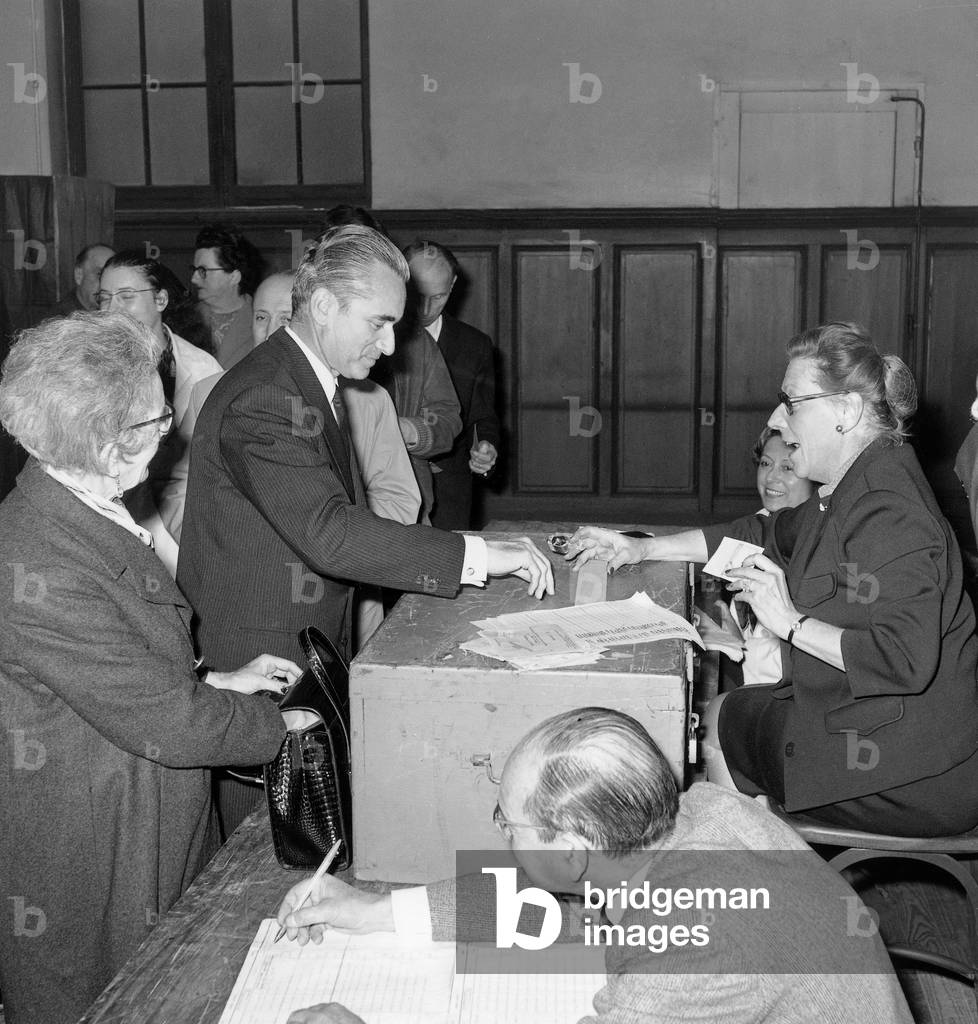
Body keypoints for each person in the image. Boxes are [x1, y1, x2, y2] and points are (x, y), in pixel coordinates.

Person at [176, 227, 553, 830]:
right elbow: (330, 532)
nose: (390, 343)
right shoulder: (267, 395)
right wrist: (473, 555)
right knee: (266, 847)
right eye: (378, 322)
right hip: (263, 649)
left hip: (299, 634)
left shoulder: (303, 378)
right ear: (323, 305)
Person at [0, 311, 312, 1024]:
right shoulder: (35, 561)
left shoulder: (83, 504)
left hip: (136, 803)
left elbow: (123, 672)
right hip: (93, 839)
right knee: (108, 999)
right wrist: (278, 726)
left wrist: (211, 682)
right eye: (155, 417)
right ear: (111, 445)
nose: (168, 430)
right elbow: (166, 721)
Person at [570, 322, 978, 838]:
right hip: (893, 736)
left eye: (792, 403)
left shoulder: (892, 511)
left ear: (846, 411)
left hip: (915, 776)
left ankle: (758, 883)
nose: (776, 420)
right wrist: (644, 546)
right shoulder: (857, 483)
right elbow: (761, 533)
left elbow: (904, 660)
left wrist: (789, 621)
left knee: (722, 722)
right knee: (727, 713)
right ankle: (763, 859)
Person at [275, 707, 913, 1024]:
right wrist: (376, 911)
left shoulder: (692, 938)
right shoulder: (698, 815)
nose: (502, 835)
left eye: (509, 822)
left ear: (571, 849)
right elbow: (553, 911)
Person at [250, 269, 422, 645]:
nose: (270, 333)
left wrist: (354, 543)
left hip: (355, 599)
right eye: (260, 318)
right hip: (268, 608)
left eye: (283, 320)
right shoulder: (223, 392)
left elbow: (400, 497)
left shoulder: (368, 400)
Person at [98, 250, 224, 556]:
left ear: (161, 301)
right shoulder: (89, 370)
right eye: (104, 297)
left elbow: (212, 467)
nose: (112, 309)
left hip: (186, 517)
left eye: (126, 296)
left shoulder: (202, 369)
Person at [698, 427, 816, 687]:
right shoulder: (758, 523)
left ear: (814, 477)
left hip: (785, 693)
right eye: (765, 463)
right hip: (745, 673)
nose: (771, 477)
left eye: (787, 468)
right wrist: (733, 633)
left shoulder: (820, 546)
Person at [404, 240, 501, 530]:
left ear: (454, 285)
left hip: (450, 492)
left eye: (439, 297)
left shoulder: (475, 345)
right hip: (388, 487)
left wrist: (487, 448)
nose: (425, 308)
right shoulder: (375, 340)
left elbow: (484, 418)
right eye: (418, 295)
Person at [191, 223, 262, 370]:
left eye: (203, 271)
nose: (194, 279)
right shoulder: (185, 320)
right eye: (195, 270)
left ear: (234, 277)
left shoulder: (262, 320)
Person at [55, 242, 114, 313]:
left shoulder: (117, 315)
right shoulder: (58, 321)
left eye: (113, 277)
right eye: (100, 274)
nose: (106, 285)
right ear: (79, 275)